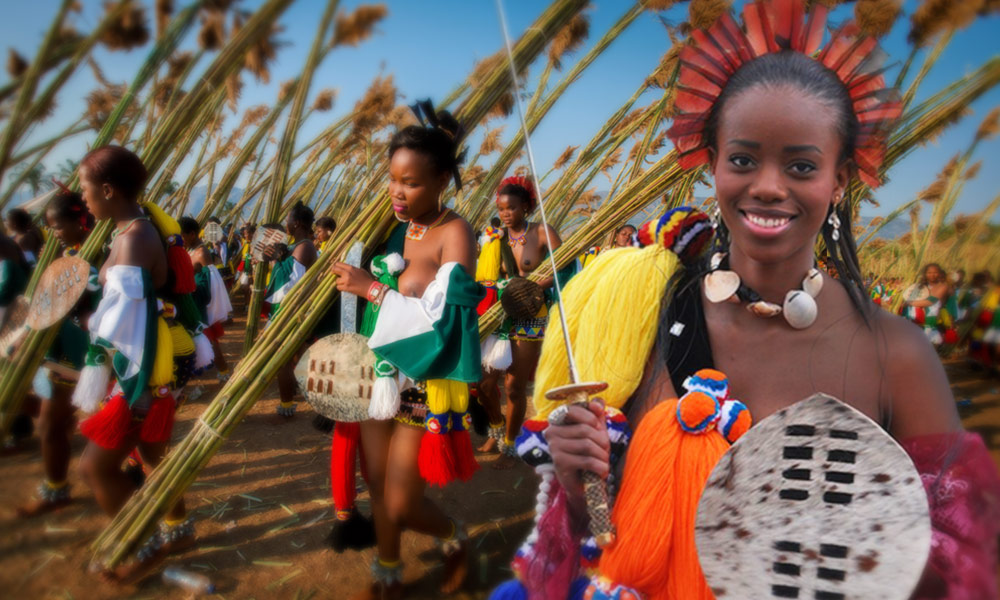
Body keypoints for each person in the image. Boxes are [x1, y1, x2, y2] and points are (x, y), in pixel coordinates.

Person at [493, 3, 1000, 598]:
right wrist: (581, 482)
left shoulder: (896, 353)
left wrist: (839, 549)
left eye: (802, 165)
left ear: (838, 180)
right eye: (742, 159)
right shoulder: (637, 312)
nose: (766, 185)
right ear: (711, 166)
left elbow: (960, 568)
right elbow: (597, 534)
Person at [332, 100, 483, 599]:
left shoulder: (455, 232)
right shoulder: (400, 226)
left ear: (442, 181)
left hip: (424, 381)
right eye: (393, 179)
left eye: (411, 183)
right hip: (381, 377)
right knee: (375, 485)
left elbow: (448, 320)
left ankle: (452, 536)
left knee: (399, 501)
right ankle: (389, 569)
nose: (397, 192)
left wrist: (370, 290)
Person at [72, 146, 192, 581]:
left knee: (95, 468)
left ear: (107, 189)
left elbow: (128, 323)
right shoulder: (131, 229)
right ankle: (178, 528)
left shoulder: (135, 238)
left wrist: (132, 392)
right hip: (145, 364)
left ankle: (142, 546)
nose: (83, 199)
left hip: (140, 370)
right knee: (152, 453)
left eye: (85, 190)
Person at [15, 189, 100, 517]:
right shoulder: (67, 252)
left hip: (78, 352)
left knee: (51, 425)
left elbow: (88, 306)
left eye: (58, 226)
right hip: (60, 350)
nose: (53, 233)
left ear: (79, 222)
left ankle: (56, 490)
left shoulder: (94, 255)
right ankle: (56, 485)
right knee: (52, 422)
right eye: (49, 227)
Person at [476, 175, 564, 469]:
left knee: (514, 386)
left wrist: (534, 286)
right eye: (501, 208)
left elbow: (561, 266)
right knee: (484, 382)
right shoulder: (493, 236)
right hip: (498, 314)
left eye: (511, 208)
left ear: (525, 208)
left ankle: (511, 443)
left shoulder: (542, 232)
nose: (505, 213)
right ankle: (495, 426)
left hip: (529, 316)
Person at [264, 203, 318, 417]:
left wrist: (277, 260)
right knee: (295, 355)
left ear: (296, 223)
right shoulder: (298, 246)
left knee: (282, 358)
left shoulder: (304, 246)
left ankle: (286, 407)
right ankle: (301, 390)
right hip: (292, 309)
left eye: (287, 220)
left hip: (291, 310)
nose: (285, 224)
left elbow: (289, 283)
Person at [179, 216, 232, 379]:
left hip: (200, 302)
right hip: (190, 300)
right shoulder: (187, 251)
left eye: (183, 235)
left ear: (192, 234)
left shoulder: (202, 252)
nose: (181, 239)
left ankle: (223, 372)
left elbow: (212, 281)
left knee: (209, 338)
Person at [902, 263, 955, 346]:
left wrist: (909, 303)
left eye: (935, 272)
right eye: (929, 272)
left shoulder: (943, 287)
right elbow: (910, 297)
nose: (932, 275)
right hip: (917, 320)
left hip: (931, 321)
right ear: (925, 274)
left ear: (940, 273)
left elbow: (930, 302)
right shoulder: (920, 286)